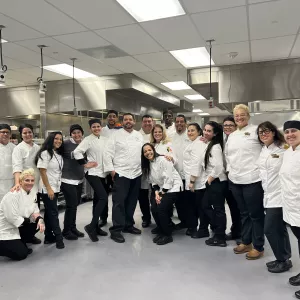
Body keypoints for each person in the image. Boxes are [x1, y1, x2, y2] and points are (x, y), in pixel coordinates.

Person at [226, 104, 264, 260]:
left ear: (248, 116)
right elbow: (228, 156)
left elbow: (267, 149)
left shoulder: (257, 131)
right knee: (244, 213)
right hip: (235, 180)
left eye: (242, 115)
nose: (239, 117)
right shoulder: (232, 135)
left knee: (255, 214)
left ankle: (258, 246)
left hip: (252, 179)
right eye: (236, 115)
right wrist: (229, 171)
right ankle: (246, 241)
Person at [257, 121, 291, 273]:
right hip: (268, 193)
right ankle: (283, 258)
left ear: (274, 132)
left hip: (280, 194)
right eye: (261, 132)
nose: (263, 134)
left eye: (267, 131)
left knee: (270, 228)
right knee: (279, 228)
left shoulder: (284, 148)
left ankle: (283, 260)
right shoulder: (263, 149)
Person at [104, 113, 143, 243]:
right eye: (125, 119)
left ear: (134, 121)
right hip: (121, 173)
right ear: (122, 122)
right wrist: (112, 171)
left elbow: (145, 152)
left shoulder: (139, 136)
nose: (128, 121)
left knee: (131, 202)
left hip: (136, 173)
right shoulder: (115, 135)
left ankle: (128, 225)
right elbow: (107, 153)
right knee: (119, 202)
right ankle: (116, 230)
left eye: (130, 119)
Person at [73, 119, 108, 242]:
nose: (97, 128)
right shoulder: (88, 140)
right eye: (94, 127)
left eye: (98, 126)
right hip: (93, 173)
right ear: (90, 129)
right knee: (104, 197)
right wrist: (84, 164)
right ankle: (91, 226)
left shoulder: (104, 139)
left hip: (103, 174)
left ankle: (96, 227)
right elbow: (77, 152)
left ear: (101, 127)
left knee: (98, 200)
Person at [142, 143, 182, 245]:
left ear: (153, 150)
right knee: (154, 207)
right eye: (145, 151)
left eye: (149, 150)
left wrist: (161, 194)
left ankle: (167, 235)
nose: (148, 153)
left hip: (174, 188)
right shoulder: (149, 164)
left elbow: (169, 179)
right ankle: (162, 228)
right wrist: (156, 193)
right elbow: (153, 181)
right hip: (162, 188)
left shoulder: (163, 159)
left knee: (161, 207)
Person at [0, 169, 45, 261]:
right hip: (6, 230)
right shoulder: (13, 195)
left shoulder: (32, 194)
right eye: (27, 180)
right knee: (21, 254)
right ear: (20, 182)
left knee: (36, 224)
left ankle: (21, 242)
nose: (30, 183)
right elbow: (12, 218)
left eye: (32, 180)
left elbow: (35, 211)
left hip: (19, 226)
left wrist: (40, 220)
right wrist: (29, 220)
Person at [280, 120, 300, 299]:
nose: (290, 134)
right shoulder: (288, 153)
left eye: (294, 131)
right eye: (287, 132)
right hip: (292, 207)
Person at [12, 124, 41, 244]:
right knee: (24, 211)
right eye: (25, 133)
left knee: (34, 210)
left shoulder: (37, 147)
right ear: (21, 135)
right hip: (25, 184)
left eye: (29, 132)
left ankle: (31, 235)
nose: (28, 135)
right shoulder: (18, 149)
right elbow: (17, 167)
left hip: (36, 183)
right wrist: (17, 183)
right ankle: (22, 237)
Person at [35, 131, 65, 250]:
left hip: (56, 187)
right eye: (56, 139)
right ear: (51, 139)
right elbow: (42, 171)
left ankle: (48, 237)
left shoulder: (57, 153)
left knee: (49, 213)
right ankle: (59, 238)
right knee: (53, 213)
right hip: (47, 188)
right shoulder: (45, 153)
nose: (58, 141)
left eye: (60, 139)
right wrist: (49, 189)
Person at [61, 124, 89, 241]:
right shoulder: (66, 144)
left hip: (79, 179)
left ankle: (73, 228)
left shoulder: (84, 143)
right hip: (67, 180)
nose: (77, 135)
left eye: (79, 132)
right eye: (74, 133)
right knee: (71, 206)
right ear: (71, 134)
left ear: (82, 133)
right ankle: (66, 231)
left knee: (75, 205)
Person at [202, 121, 227, 247]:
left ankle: (220, 237)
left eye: (209, 131)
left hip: (216, 181)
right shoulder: (211, 144)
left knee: (218, 210)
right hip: (214, 181)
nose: (205, 132)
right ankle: (218, 230)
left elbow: (218, 166)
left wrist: (209, 179)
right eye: (205, 130)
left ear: (215, 133)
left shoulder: (215, 147)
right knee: (206, 206)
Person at [183, 123, 208, 238]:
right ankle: (194, 227)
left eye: (192, 130)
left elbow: (196, 163)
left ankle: (203, 230)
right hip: (192, 180)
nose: (190, 133)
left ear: (199, 132)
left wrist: (192, 181)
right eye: (188, 130)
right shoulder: (193, 142)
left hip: (197, 181)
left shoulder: (199, 143)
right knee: (193, 206)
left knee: (200, 207)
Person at [99, 110, 122, 227]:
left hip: (117, 167)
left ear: (117, 118)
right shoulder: (102, 130)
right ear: (107, 118)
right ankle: (103, 218)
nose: (112, 118)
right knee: (103, 195)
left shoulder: (121, 131)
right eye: (110, 116)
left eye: (114, 116)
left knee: (117, 196)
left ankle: (117, 219)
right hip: (104, 168)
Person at [223, 117, 241, 242]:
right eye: (225, 125)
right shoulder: (222, 139)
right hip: (226, 178)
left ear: (235, 126)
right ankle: (236, 231)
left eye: (230, 125)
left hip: (239, 177)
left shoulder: (240, 138)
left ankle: (243, 234)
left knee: (240, 207)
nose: (228, 127)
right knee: (232, 207)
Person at [172, 115, 190, 231]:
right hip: (175, 175)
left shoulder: (190, 135)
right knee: (178, 201)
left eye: (181, 122)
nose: (179, 124)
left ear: (185, 123)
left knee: (189, 202)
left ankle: (191, 225)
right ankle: (183, 222)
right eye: (177, 122)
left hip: (188, 174)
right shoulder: (171, 137)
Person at [138, 115, 154, 228]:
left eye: (149, 121)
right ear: (141, 123)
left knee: (156, 194)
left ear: (152, 122)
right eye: (145, 121)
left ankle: (160, 217)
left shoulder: (157, 134)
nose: (147, 123)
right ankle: (146, 218)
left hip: (155, 169)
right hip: (142, 169)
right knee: (143, 196)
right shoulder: (137, 135)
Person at [0, 124, 15, 201]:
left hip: (11, 183)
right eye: (2, 132)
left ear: (10, 134)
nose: (5, 134)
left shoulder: (14, 148)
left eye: (7, 132)